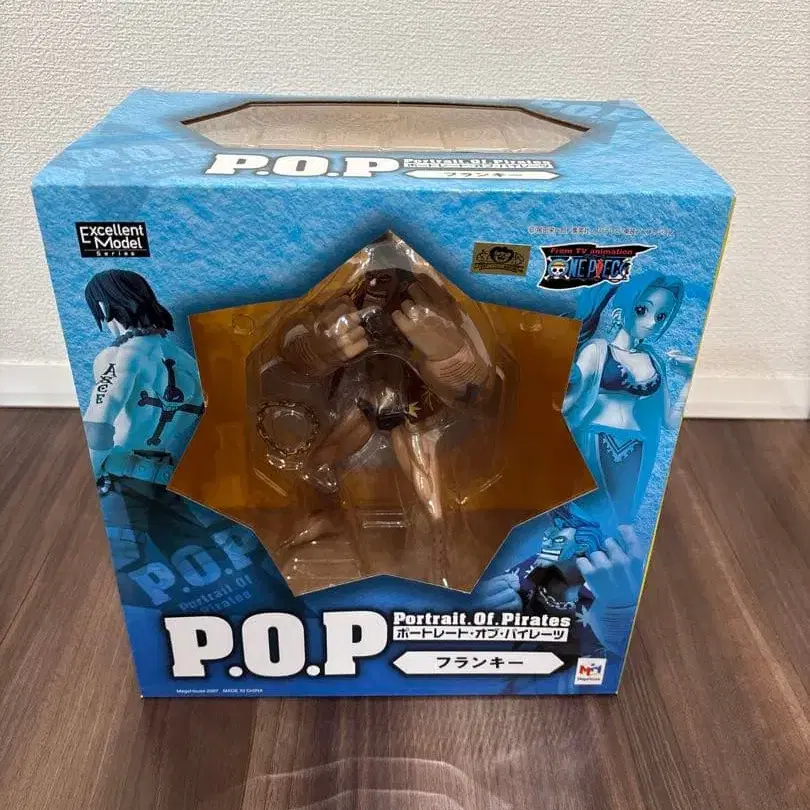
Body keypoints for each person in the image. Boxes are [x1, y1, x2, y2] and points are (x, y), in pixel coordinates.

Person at [562, 272, 694, 531]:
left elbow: (670, 421)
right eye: (642, 310)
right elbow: (568, 403)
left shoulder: (653, 360)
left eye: (661, 316)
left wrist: (691, 378)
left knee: (620, 521)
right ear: (622, 308)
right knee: (588, 515)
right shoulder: (597, 351)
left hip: (636, 446)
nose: (651, 322)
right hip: (594, 439)